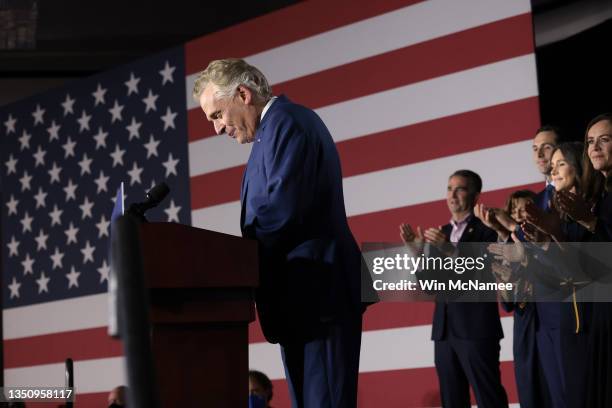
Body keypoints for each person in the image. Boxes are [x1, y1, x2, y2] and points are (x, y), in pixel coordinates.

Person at [193, 59, 367, 408]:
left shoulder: (287, 123)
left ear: (242, 94)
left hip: (320, 295)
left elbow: (284, 211)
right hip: (300, 300)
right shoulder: (269, 133)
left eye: (216, 114)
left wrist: (234, 260)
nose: (216, 128)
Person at [400, 170, 508, 408]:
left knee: (488, 397)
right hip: (445, 331)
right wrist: (418, 253)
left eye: (460, 188)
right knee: (452, 401)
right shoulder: (442, 232)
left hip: (477, 329)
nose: (453, 194)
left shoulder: (487, 230)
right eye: (449, 188)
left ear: (476, 195)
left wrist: (451, 251)